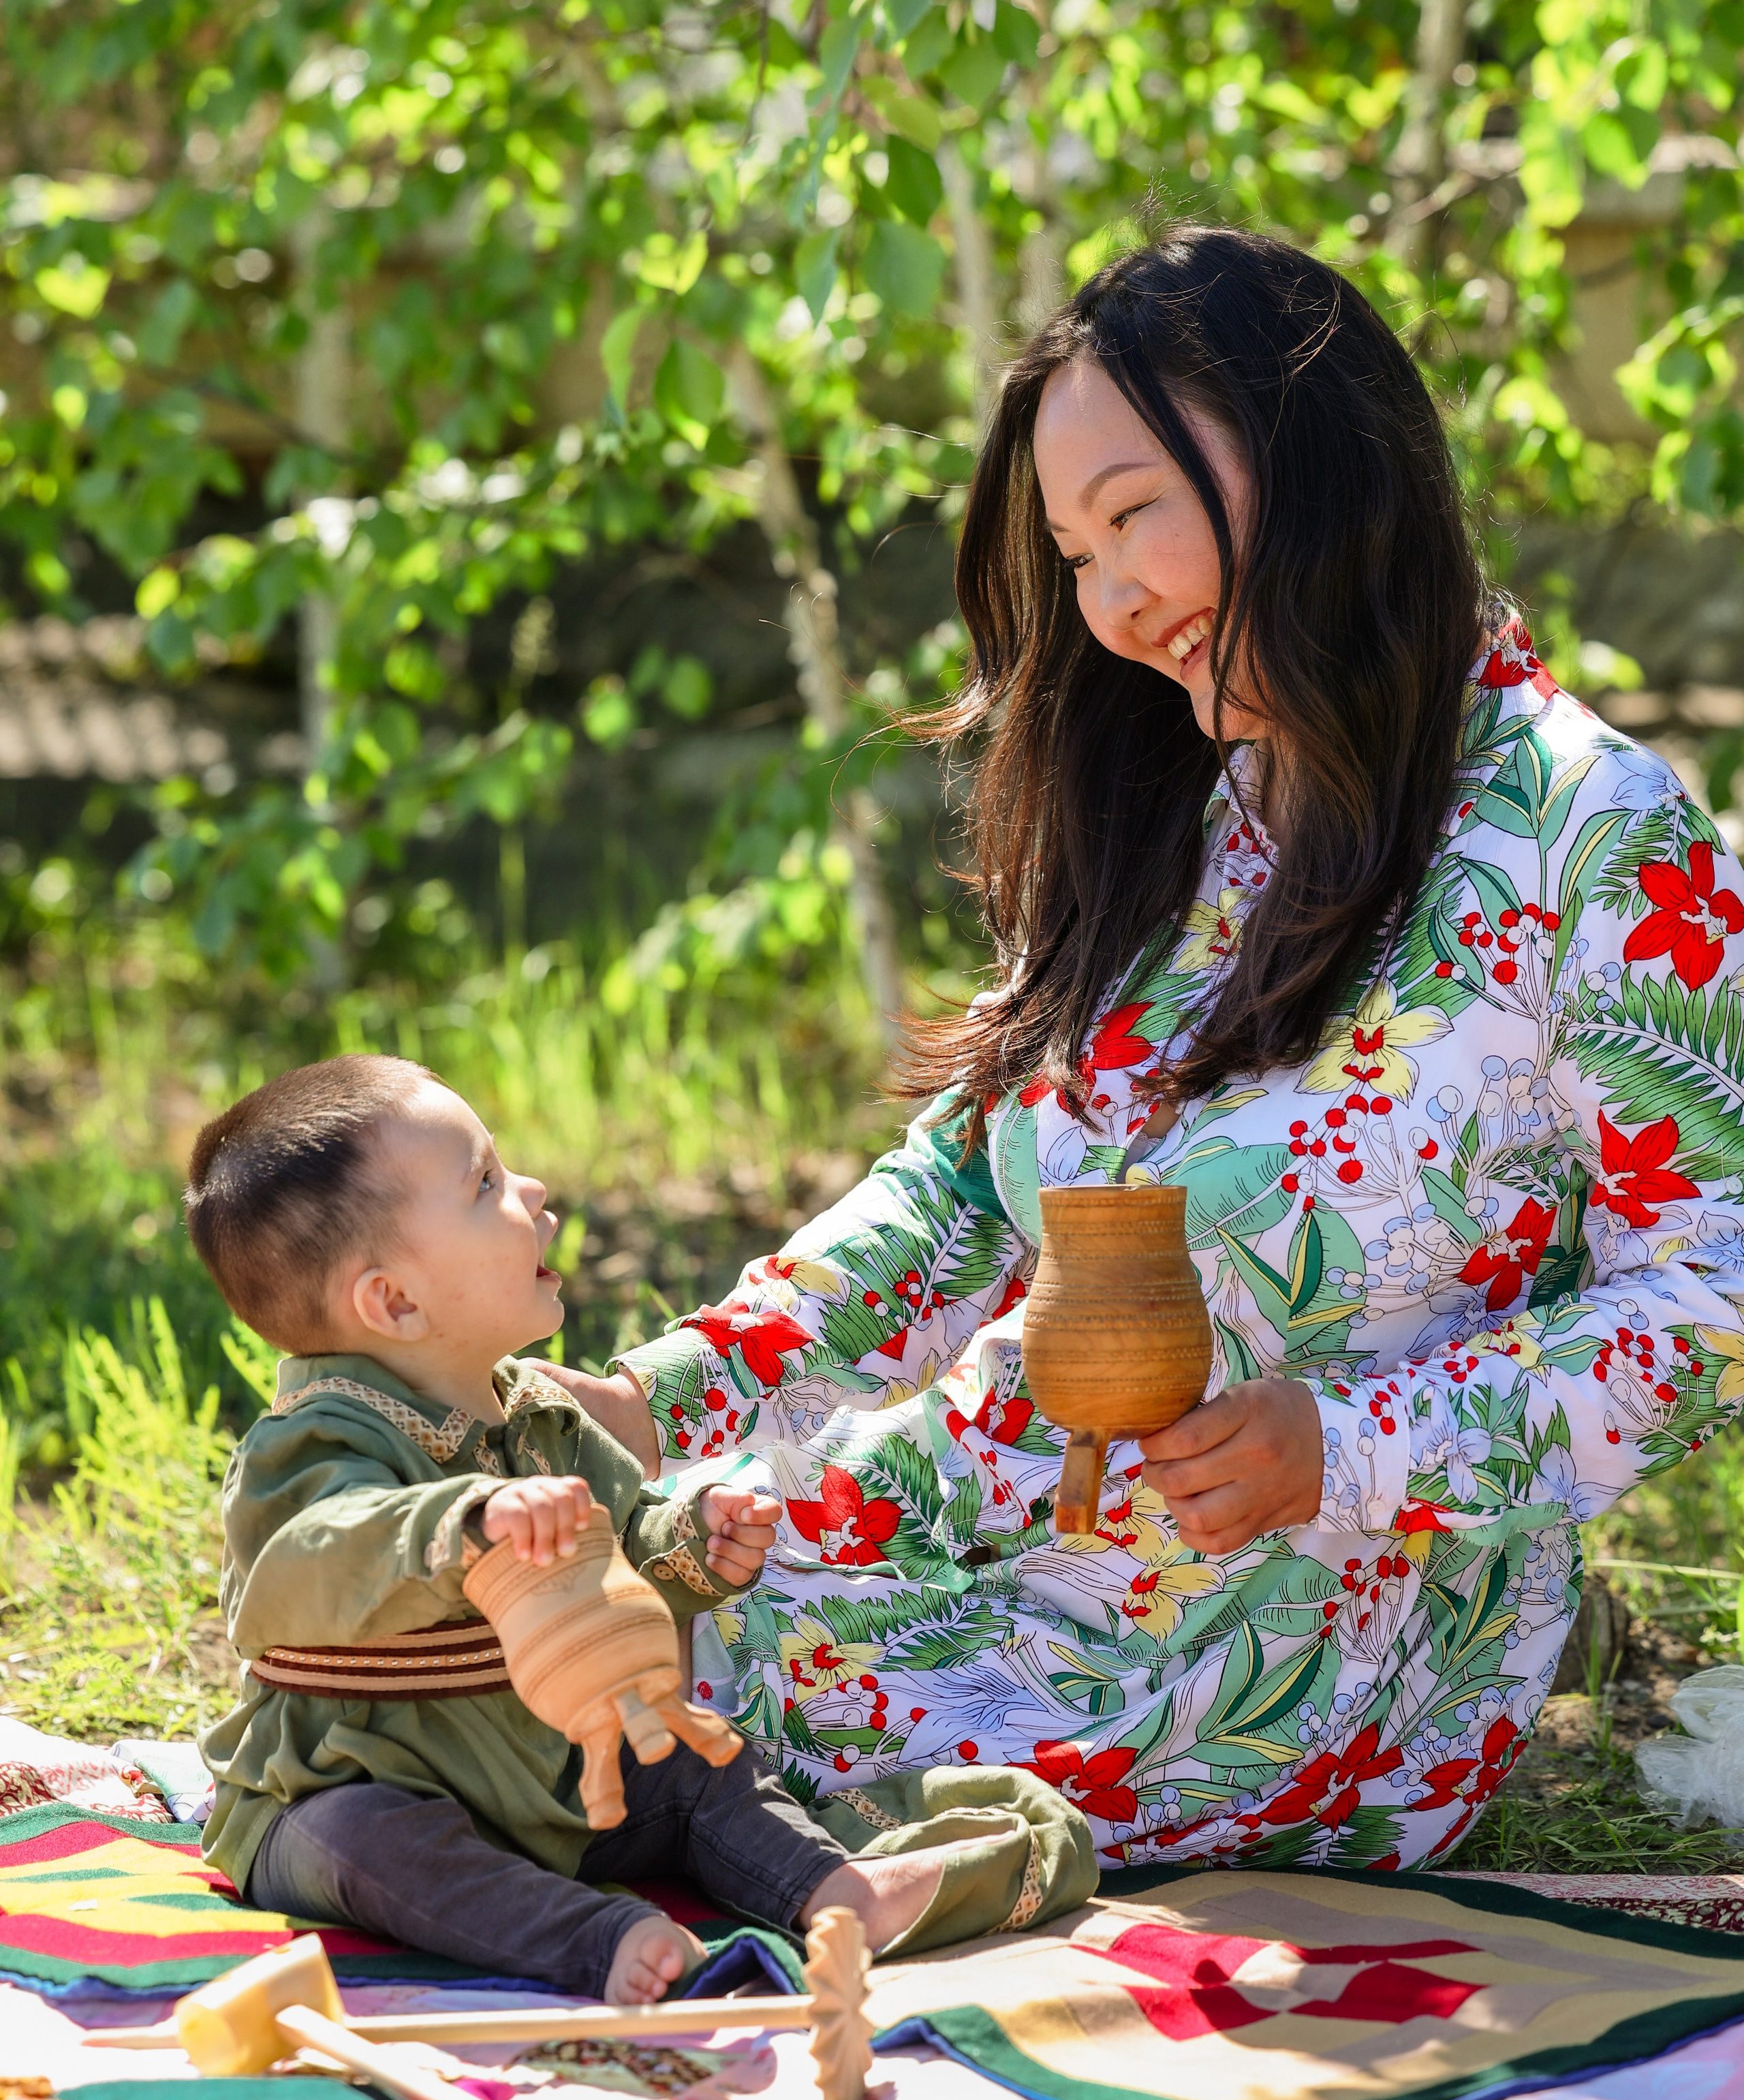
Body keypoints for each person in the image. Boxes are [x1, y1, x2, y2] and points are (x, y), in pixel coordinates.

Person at [546, 223, 1744, 1872]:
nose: (1109, 604)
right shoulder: (1179, 804)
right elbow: (961, 1197)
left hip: (1311, 1640)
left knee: (625, 1691)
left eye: (1134, 521)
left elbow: (1706, 1301)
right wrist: (650, 1400)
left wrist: (1345, 1447)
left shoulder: (1593, 838)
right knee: (566, 1627)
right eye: (1074, 552)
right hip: (987, 1532)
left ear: (1315, 464)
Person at [187, 1056, 1092, 2001]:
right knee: (367, 1844)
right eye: (486, 1184)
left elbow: (628, 1546)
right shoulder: (317, 1440)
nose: (533, 1190)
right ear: (397, 1302)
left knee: (703, 1759)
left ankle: (832, 1891)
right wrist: (461, 1523)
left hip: (552, 1767)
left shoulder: (537, 1416)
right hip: (356, 1772)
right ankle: (598, 1937)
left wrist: (689, 1544)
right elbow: (303, 1564)